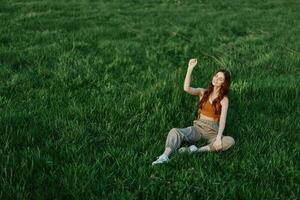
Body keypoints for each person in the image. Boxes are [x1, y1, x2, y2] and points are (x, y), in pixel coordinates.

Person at [152, 58, 235, 165]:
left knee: (230, 141)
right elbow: (186, 88)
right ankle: (164, 156)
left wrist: (219, 138)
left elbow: (223, 120)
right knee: (175, 131)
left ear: (224, 83)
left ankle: (196, 150)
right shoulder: (202, 92)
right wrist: (190, 68)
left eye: (220, 79)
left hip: (212, 131)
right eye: (216, 76)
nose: (216, 79)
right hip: (198, 128)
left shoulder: (224, 99)